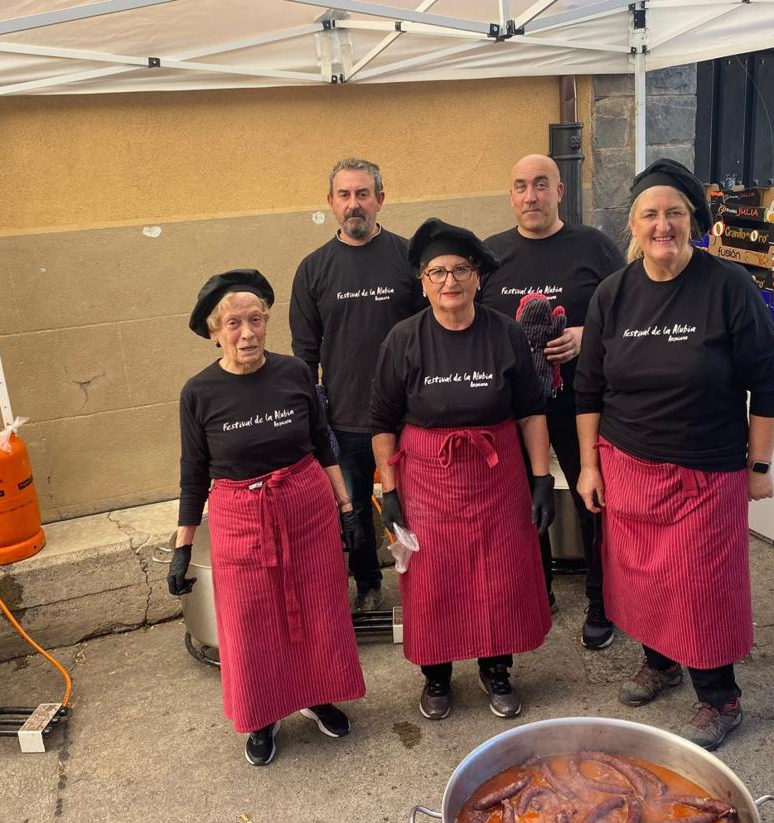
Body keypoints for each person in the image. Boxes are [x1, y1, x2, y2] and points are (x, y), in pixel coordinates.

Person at [574, 159, 774, 750]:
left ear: (694, 221)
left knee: (702, 588)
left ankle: (720, 697)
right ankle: (661, 664)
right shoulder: (613, 294)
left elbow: (767, 384)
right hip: (628, 464)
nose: (661, 225)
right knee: (641, 579)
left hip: (706, 470)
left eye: (674, 213)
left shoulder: (728, 288)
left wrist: (759, 467)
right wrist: (590, 465)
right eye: (649, 214)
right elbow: (589, 388)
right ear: (633, 226)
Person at [170, 270, 366, 767]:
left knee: (319, 607)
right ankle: (261, 716)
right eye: (233, 323)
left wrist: (346, 508)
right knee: (250, 621)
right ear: (215, 332)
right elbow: (193, 473)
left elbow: (323, 442)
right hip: (240, 517)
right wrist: (182, 547)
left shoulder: (295, 372)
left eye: (255, 320)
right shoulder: (199, 392)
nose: (247, 333)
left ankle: (318, 694)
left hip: (306, 506)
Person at [370, 218, 555, 721]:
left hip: (497, 476)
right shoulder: (403, 339)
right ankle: (436, 677)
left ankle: (496, 671)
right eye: (437, 272)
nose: (449, 281)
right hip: (427, 478)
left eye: (459, 270)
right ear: (423, 282)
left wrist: (541, 479)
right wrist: (390, 493)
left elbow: (530, 411)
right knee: (433, 579)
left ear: (477, 278)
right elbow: (383, 423)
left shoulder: (505, 333)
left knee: (499, 576)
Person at [483, 153, 625, 650]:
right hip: (516, 410)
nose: (531, 196)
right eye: (520, 186)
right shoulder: (490, 254)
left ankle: (602, 600)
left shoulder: (595, 247)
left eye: (541, 185)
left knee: (595, 502)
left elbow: (631, 314)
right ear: (511, 194)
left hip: (582, 404)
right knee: (524, 505)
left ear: (560, 191)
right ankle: (536, 592)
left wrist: (586, 335)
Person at [290, 158, 422, 615]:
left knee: (414, 503)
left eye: (363, 194)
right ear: (330, 203)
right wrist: (313, 419)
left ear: (380, 200)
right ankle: (368, 585)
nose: (354, 204)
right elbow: (304, 354)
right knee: (356, 512)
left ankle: (426, 584)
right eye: (344, 195)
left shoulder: (409, 259)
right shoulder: (313, 270)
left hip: (408, 415)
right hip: (344, 419)